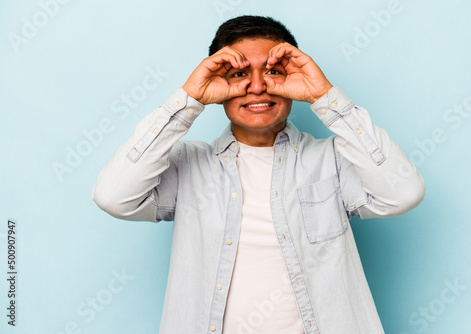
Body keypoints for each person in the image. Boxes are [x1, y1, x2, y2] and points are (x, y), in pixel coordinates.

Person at [93, 15, 425, 334]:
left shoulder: (334, 160)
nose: (257, 87)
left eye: (273, 72)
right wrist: (188, 100)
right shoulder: (186, 164)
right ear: (217, 82)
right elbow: (114, 197)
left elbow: (402, 193)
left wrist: (324, 96)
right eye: (239, 74)